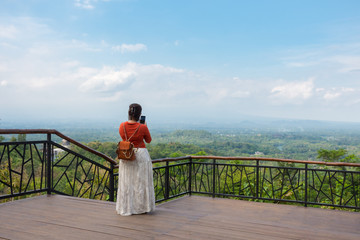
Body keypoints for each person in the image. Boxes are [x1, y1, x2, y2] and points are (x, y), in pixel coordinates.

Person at [116, 103, 155, 216]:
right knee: (141, 182)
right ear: (139, 114)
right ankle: (142, 207)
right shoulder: (142, 127)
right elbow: (148, 140)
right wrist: (145, 126)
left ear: (129, 113)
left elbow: (124, 138)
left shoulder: (122, 126)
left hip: (126, 154)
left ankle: (127, 207)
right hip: (141, 154)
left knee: (127, 181)